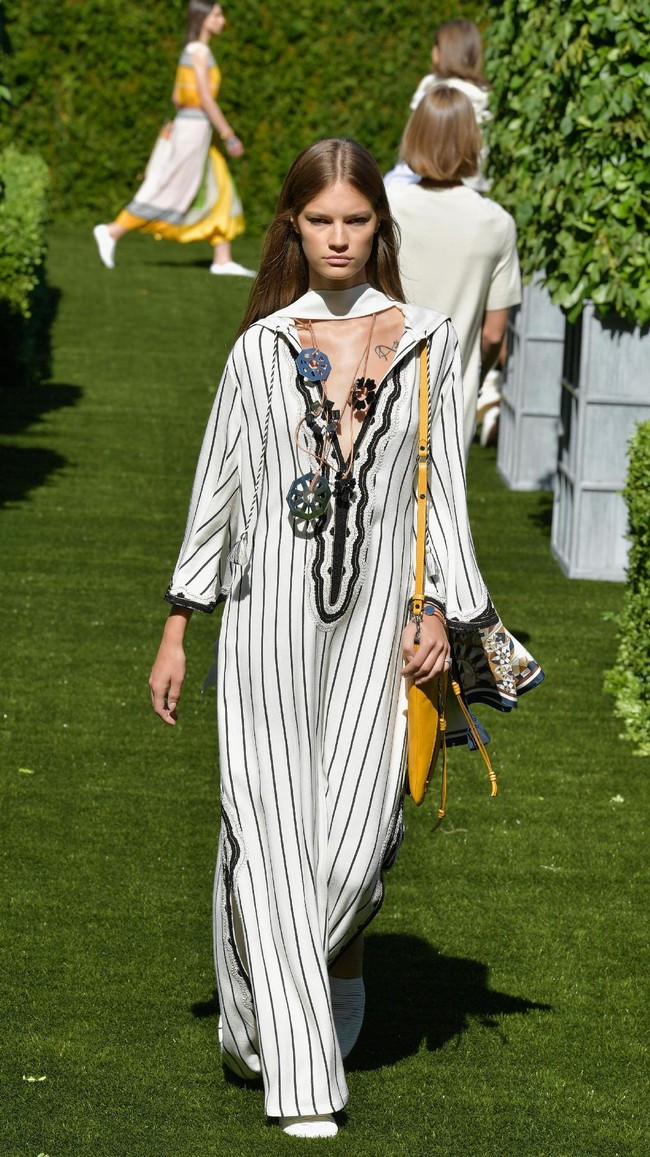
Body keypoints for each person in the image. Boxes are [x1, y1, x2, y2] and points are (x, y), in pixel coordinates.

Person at [149, 138, 542, 1138]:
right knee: (275, 833)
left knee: (358, 849)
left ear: (378, 225)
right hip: (265, 617)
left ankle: (253, 1015)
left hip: (380, 629)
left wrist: (437, 610)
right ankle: (303, 1080)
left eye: (354, 220)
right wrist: (179, 622)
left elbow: (441, 499)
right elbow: (217, 487)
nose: (336, 237)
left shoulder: (427, 340)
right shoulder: (260, 349)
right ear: (293, 226)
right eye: (318, 220)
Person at [388, 85, 521, 457]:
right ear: (473, 142)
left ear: (413, 136)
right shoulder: (496, 222)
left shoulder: (383, 209)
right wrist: (475, 378)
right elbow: (494, 334)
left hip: (380, 391)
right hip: (451, 403)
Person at [93, 2, 254, 277]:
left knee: (220, 186)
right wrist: (229, 135)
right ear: (203, 18)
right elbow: (205, 98)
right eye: (217, 14)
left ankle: (222, 258)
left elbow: (176, 97)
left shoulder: (193, 51)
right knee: (170, 189)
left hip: (196, 130)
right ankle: (113, 230)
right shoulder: (199, 52)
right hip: (193, 130)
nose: (222, 20)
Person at [384, 18, 491, 194]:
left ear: (445, 51)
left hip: (424, 186)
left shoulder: (434, 93)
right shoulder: (484, 98)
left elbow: (414, 155)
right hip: (472, 190)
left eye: (437, 45)